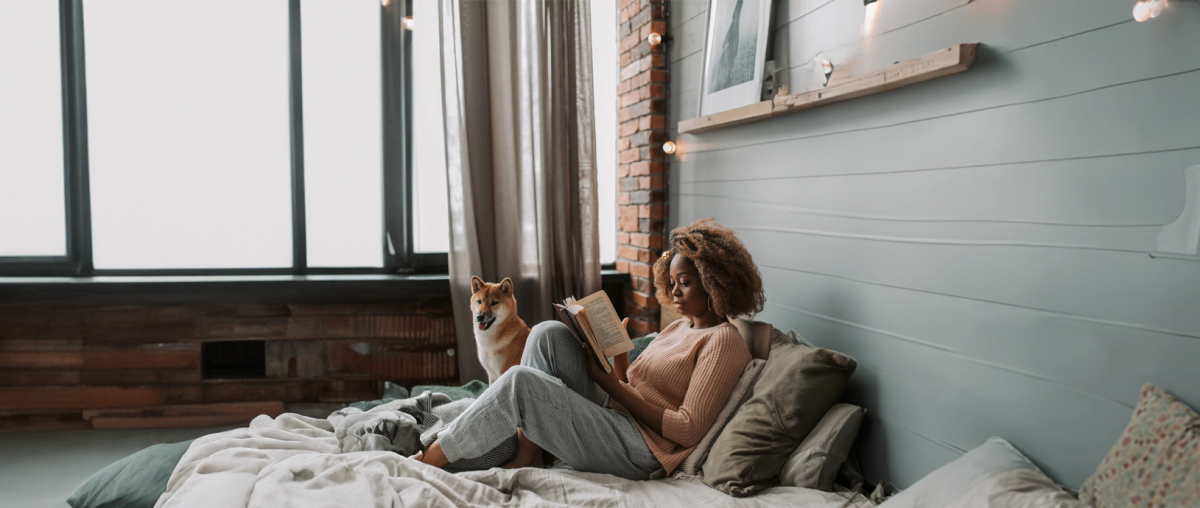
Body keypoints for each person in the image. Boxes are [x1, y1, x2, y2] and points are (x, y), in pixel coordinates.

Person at [414, 218, 766, 479]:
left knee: (521, 382)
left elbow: (687, 429)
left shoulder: (724, 342)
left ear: (715, 283)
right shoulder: (679, 325)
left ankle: (431, 459)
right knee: (547, 333)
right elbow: (633, 386)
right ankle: (528, 451)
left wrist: (610, 383)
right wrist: (619, 357)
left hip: (641, 449)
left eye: (684, 283)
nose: (673, 291)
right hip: (617, 414)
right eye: (671, 281)